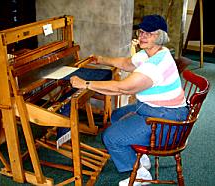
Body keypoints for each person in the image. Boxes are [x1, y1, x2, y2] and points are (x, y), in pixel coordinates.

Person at [70, 14, 189, 185]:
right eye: (141, 32)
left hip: (167, 122)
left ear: (160, 37)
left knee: (110, 137)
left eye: (150, 33)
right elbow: (127, 63)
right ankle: (142, 157)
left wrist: (86, 84)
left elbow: (122, 88)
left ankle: (141, 175)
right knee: (117, 115)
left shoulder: (155, 65)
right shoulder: (152, 52)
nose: (143, 36)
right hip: (155, 109)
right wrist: (101, 59)